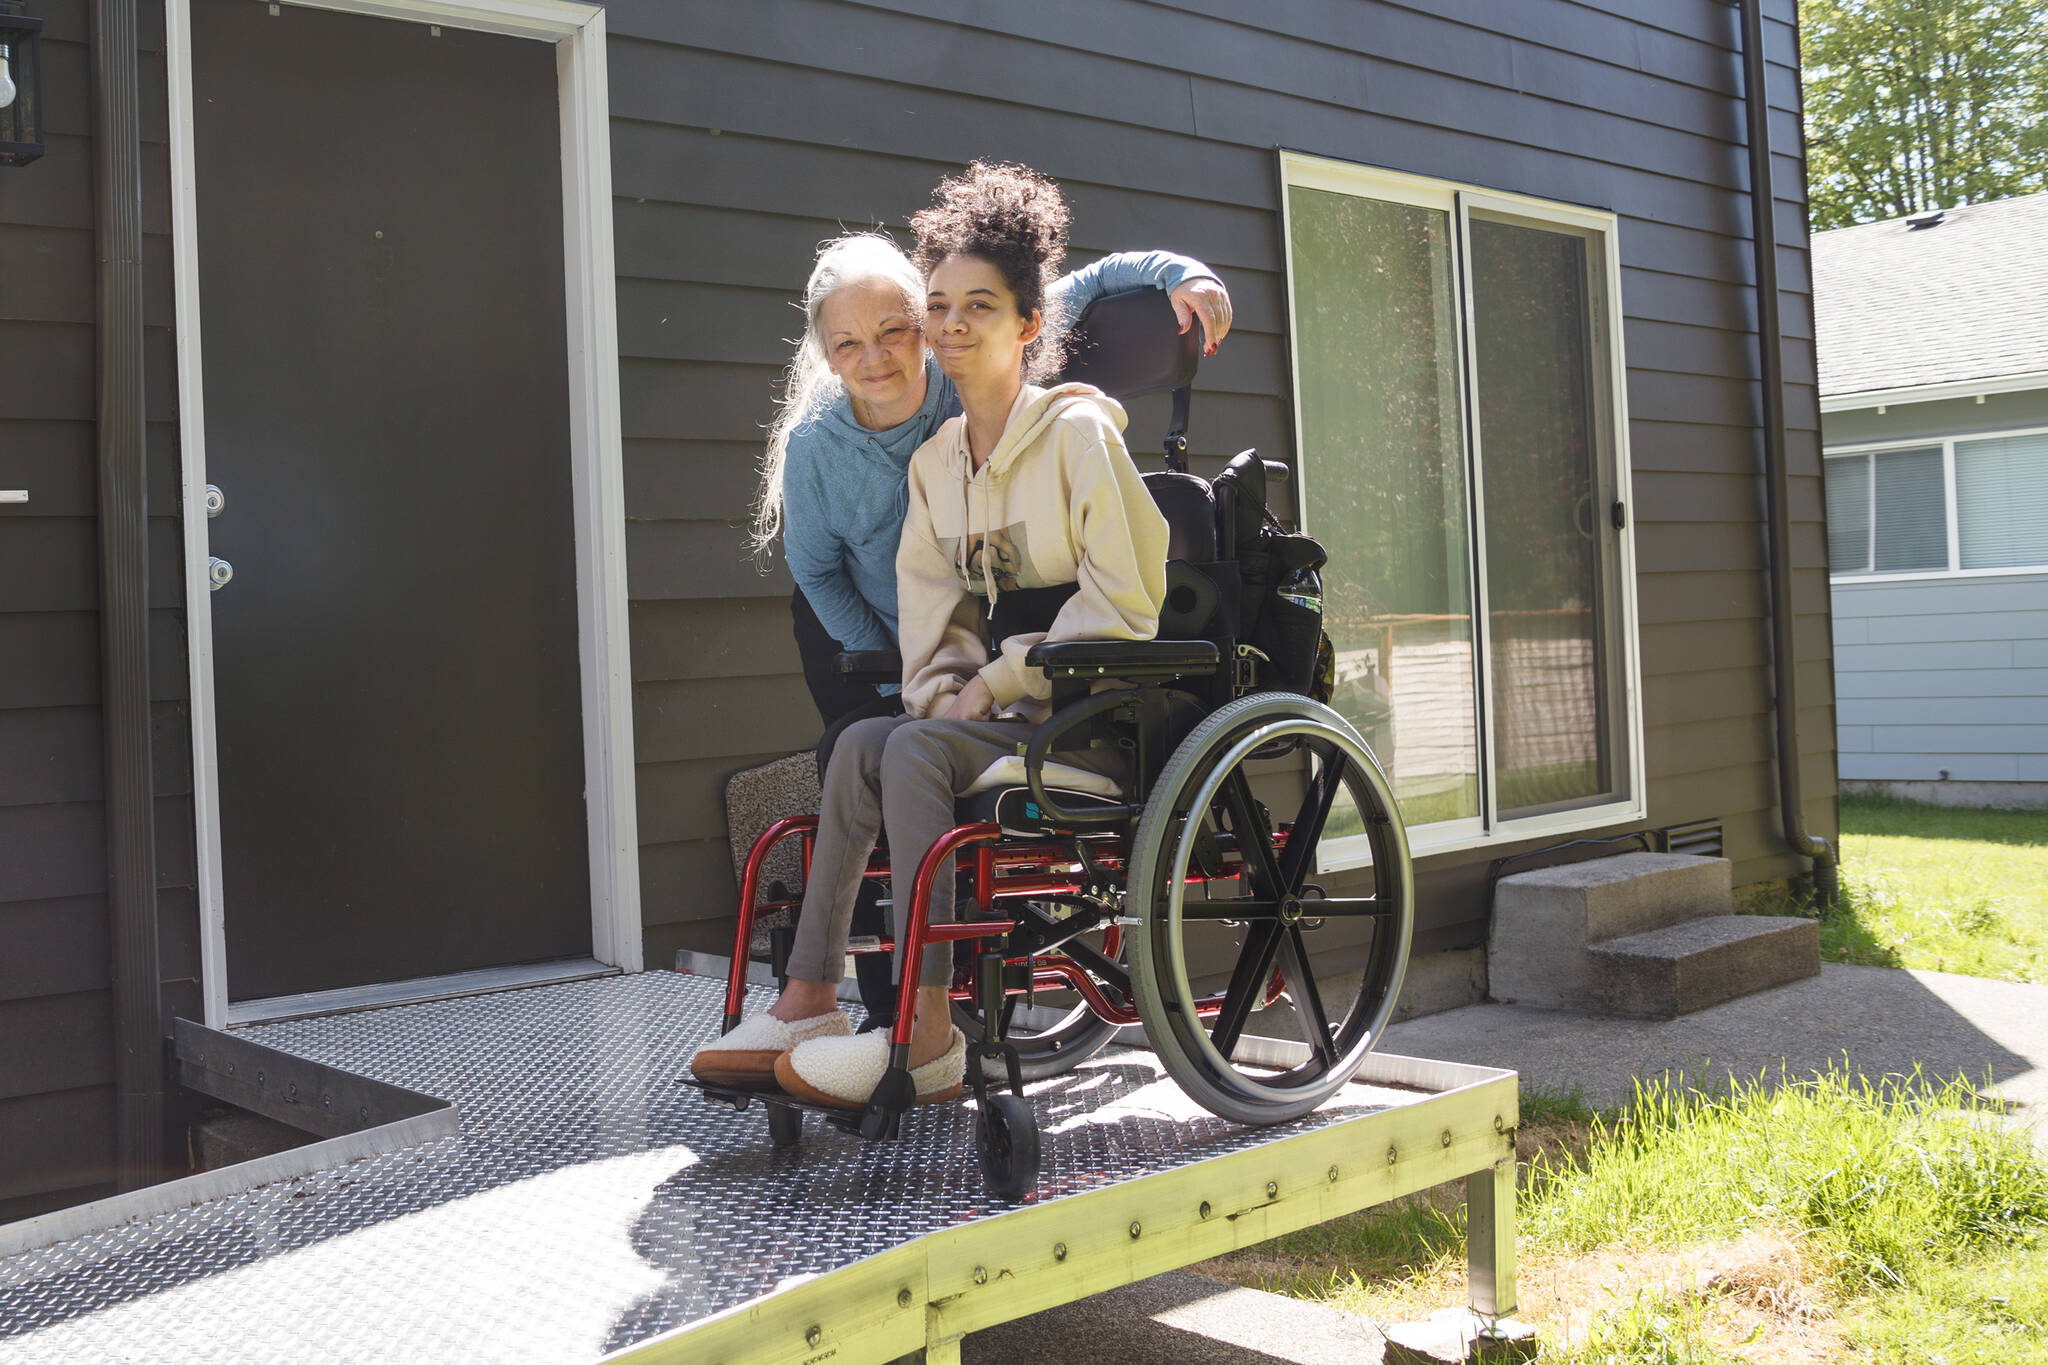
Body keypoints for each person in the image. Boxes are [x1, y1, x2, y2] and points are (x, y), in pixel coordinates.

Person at [692, 162, 1171, 1108]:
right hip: (999, 713)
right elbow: (932, 615)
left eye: (974, 309)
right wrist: (943, 689)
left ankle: (927, 1025)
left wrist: (988, 684)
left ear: (1029, 324)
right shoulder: (938, 463)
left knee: (908, 753)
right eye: (939, 307)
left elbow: (1127, 608)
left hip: (1093, 707)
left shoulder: (1078, 439)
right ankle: (809, 997)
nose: (949, 328)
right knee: (866, 741)